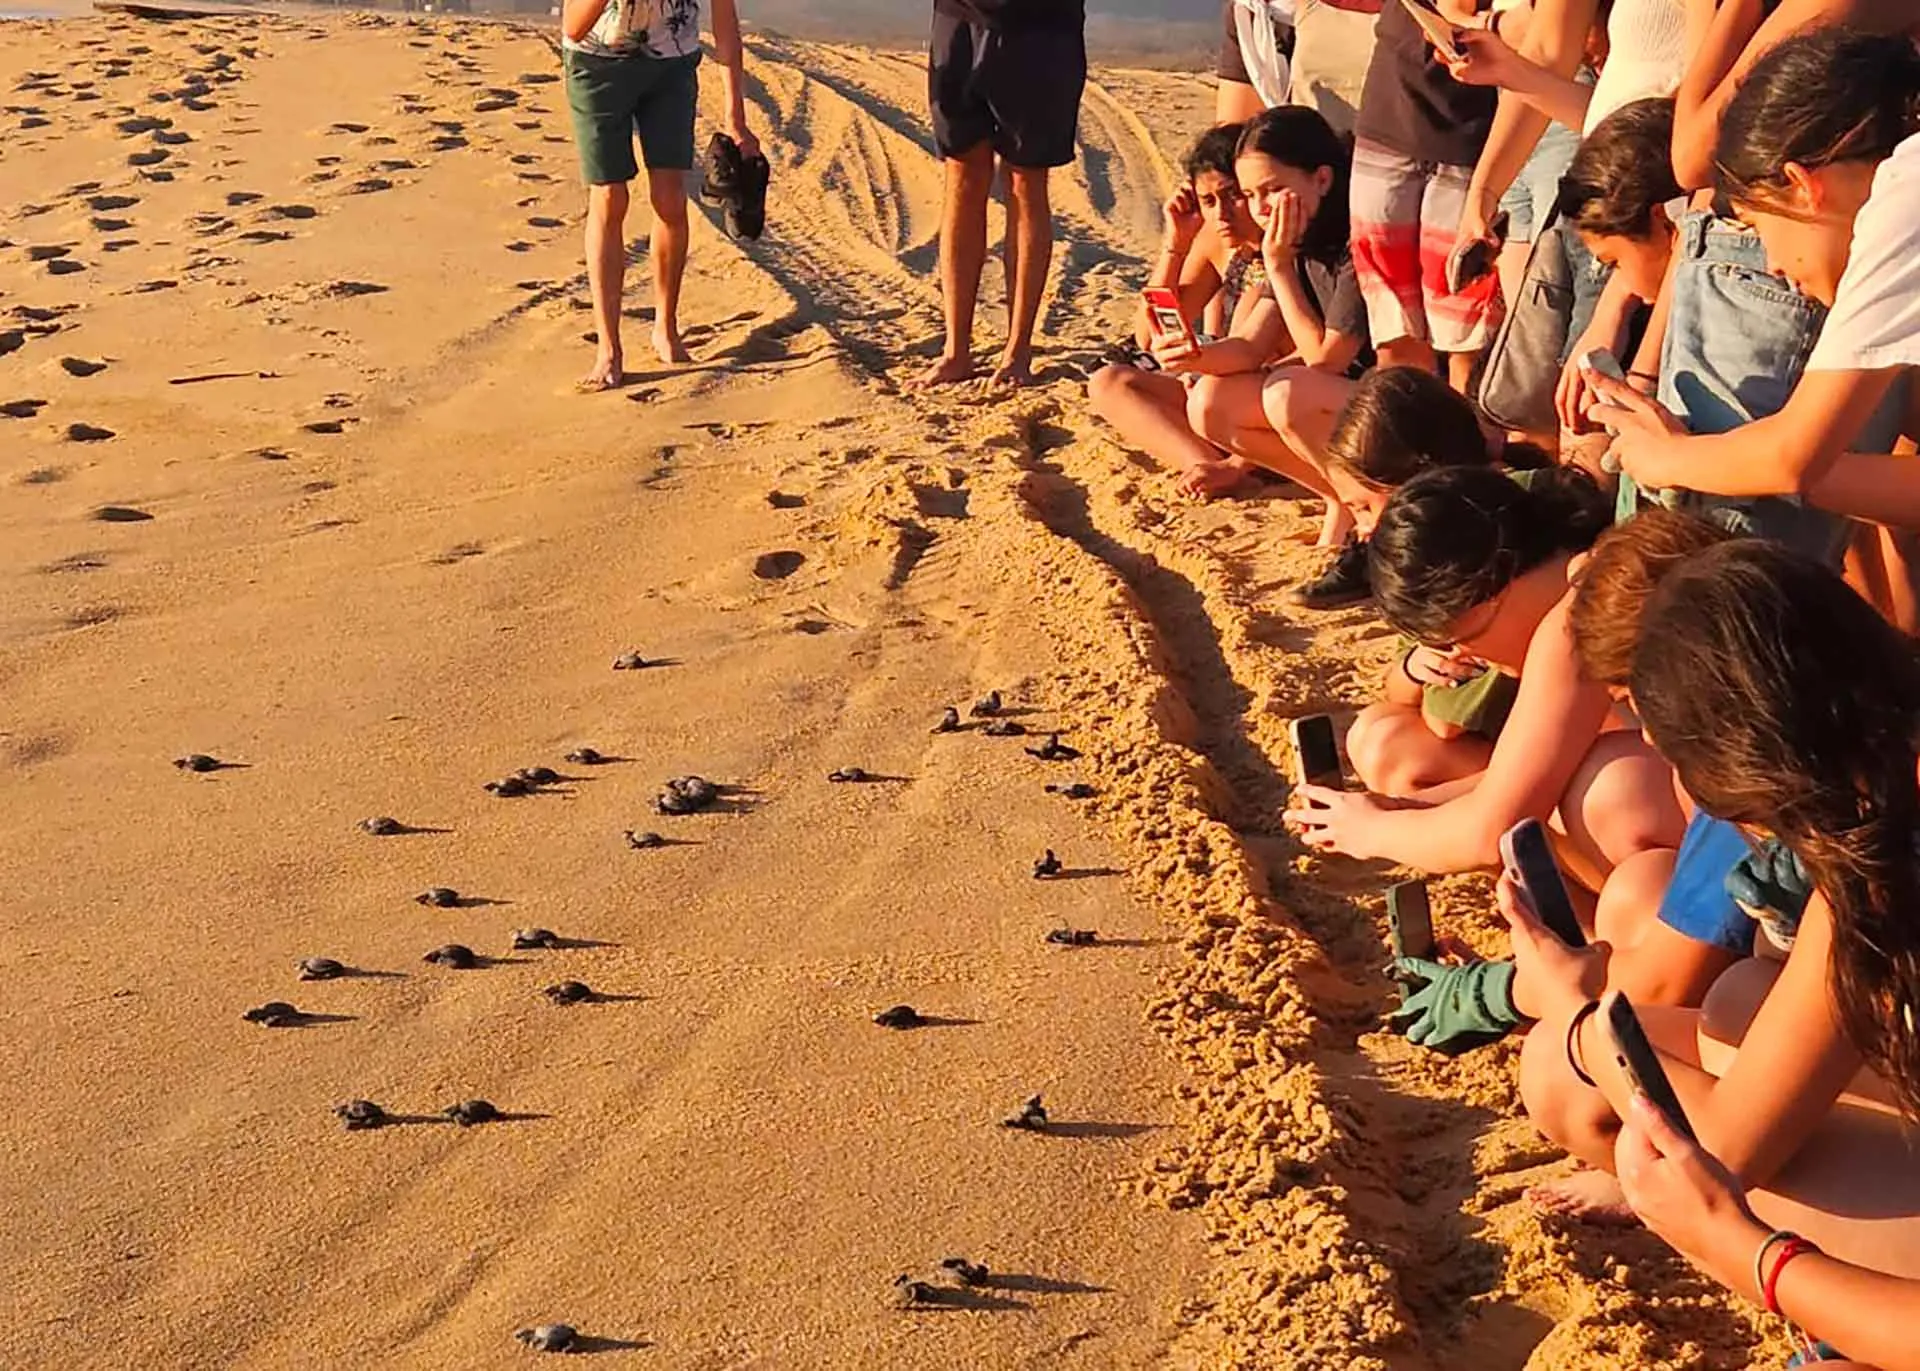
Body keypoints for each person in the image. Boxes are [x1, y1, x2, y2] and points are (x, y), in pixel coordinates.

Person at [1518, 537, 1920, 1279]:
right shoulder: (1890, 768)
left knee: (1696, 1189)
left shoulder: (1876, 862)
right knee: (1738, 1001)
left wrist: (1582, 1020)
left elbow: (1728, 1155)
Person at [1283, 465, 1685, 890]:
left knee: (1608, 790)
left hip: (1730, 836)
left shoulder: (1576, 618)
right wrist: (1399, 807)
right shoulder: (1601, 566)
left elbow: (1489, 831)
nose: (1459, 653)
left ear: (1486, 591)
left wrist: (1367, 833)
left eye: (1454, 636)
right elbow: (1521, 778)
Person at [1592, 29, 1919, 540]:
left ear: (1802, 185)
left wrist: (1668, 458)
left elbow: (1793, 457)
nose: (1776, 264)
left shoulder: (1903, 204)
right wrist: (1710, 457)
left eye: (1758, 226)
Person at [1180, 109, 1372, 590]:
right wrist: (1191, 355)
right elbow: (1248, 347)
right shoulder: (1292, 240)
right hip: (1339, 399)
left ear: (1322, 179)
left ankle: (1366, 513)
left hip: (1391, 405)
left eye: (1270, 190)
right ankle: (1343, 499)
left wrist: (1280, 267)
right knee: (1209, 401)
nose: (1260, 208)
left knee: (1288, 390)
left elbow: (1327, 361)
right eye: (1251, 195)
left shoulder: (1354, 237)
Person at [1318, 367, 1526, 786]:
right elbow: (1398, 682)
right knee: (1374, 730)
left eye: (1363, 506)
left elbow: (1447, 721)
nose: (1360, 529)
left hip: (1560, 746)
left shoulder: (1480, 540)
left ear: (1417, 481)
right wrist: (1415, 667)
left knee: (1395, 755)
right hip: (1532, 737)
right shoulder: (1453, 527)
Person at [561, 0, 758, 390]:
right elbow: (573, 26)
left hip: (672, 65)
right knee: (609, 197)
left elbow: (725, 23)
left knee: (670, 200)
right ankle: (609, 349)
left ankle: (666, 330)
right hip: (597, 63)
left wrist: (737, 118)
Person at [1088, 124, 1281, 499]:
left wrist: (1204, 366)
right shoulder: (1219, 241)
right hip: (1221, 394)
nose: (1222, 213)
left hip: (1272, 398)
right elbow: (1148, 334)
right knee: (1109, 383)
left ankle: (1238, 465)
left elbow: (1265, 354)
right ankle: (1205, 464)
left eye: (1233, 196)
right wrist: (1175, 245)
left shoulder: (1286, 252)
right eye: (1208, 201)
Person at [918, 0, 1087, 389]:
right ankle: (956, 351)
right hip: (957, 16)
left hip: (1041, 28)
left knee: (1026, 181)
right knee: (962, 173)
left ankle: (1018, 351)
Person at [1346, 0, 1501, 386]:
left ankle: (1467, 437)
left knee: (1465, 323)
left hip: (1480, 132)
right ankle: (1404, 438)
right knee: (1393, 324)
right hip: (1391, 112)